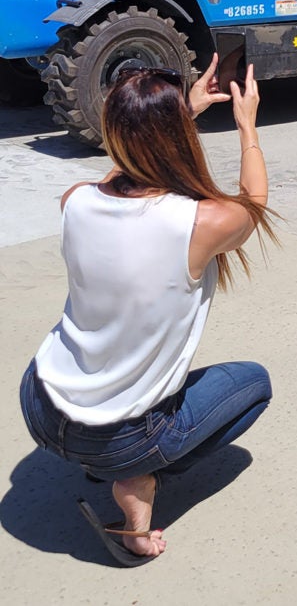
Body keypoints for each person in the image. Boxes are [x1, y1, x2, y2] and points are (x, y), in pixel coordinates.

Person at [19, 57, 278, 567]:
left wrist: (183, 111)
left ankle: (109, 459)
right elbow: (255, 199)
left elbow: (127, 171)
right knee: (254, 385)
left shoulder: (74, 201)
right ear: (175, 135)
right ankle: (137, 479)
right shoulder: (201, 223)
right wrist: (247, 125)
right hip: (124, 438)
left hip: (41, 405)